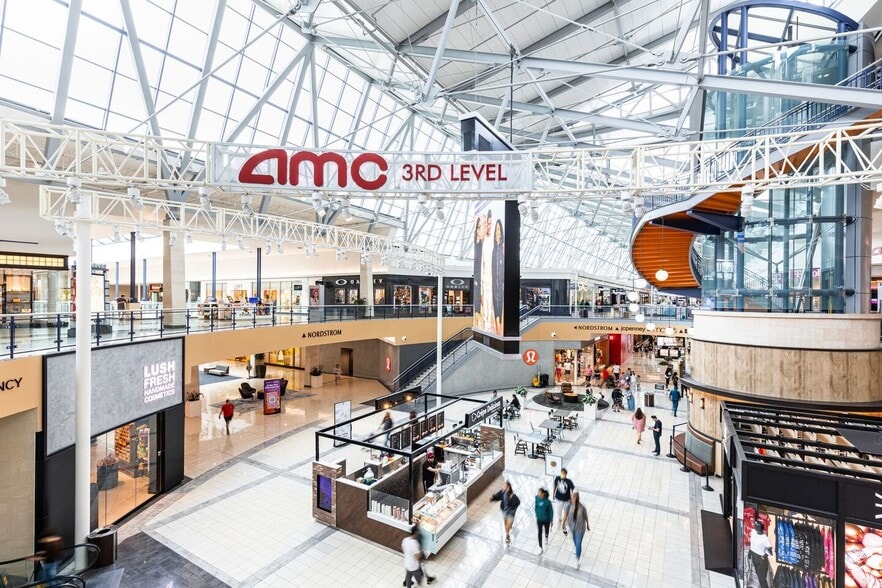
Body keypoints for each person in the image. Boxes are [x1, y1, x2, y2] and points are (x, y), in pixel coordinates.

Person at [567, 491, 590, 569]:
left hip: (580, 529)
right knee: (575, 541)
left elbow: (586, 517)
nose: (572, 499)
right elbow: (566, 515)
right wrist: (563, 524)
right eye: (572, 497)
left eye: (574, 497)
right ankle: (576, 549)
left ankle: (577, 560)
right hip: (572, 527)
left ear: (576, 498)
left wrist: (588, 525)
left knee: (578, 543)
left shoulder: (582, 508)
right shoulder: (569, 506)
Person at [748, 520, 773, 588]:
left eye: (756, 525)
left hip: (760, 558)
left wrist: (763, 557)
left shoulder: (765, 538)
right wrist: (750, 552)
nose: (754, 526)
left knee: (762, 578)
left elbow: (770, 551)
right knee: (757, 574)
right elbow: (752, 543)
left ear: (759, 527)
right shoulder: (753, 532)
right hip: (754, 556)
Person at [553, 468, 575, 535]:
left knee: (566, 514)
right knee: (558, 513)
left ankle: (563, 526)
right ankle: (559, 520)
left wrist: (572, 499)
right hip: (558, 500)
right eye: (562, 473)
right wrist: (553, 494)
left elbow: (572, 490)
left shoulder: (569, 482)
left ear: (566, 474)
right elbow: (555, 486)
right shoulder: (557, 478)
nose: (562, 474)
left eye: (564, 473)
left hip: (566, 501)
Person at [492, 219, 504, 335]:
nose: (497, 232)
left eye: (499, 229)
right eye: (496, 229)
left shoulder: (503, 247)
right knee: (495, 305)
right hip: (493, 282)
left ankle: (499, 328)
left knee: (499, 304)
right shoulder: (492, 246)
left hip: (500, 282)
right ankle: (497, 328)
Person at [534, 487, 554, 555]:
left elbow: (551, 511)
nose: (537, 493)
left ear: (542, 493)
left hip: (546, 520)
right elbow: (536, 506)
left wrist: (551, 520)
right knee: (539, 532)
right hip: (539, 519)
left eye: (539, 492)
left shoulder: (548, 502)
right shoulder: (537, 498)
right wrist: (536, 513)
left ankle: (546, 536)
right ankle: (540, 547)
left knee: (546, 530)